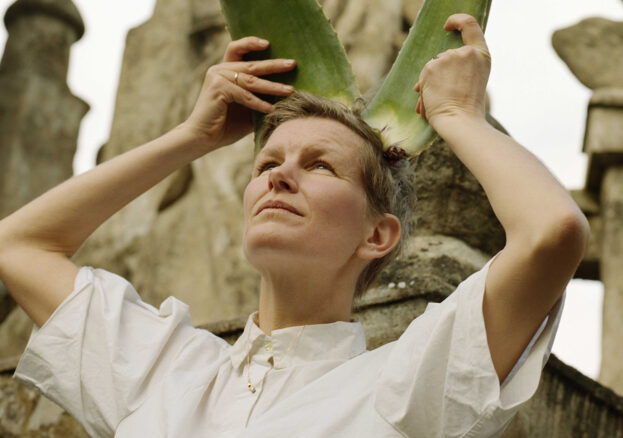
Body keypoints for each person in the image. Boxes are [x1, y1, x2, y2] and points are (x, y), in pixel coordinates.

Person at [0, 14, 588, 438]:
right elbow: (19, 246)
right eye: (267, 164)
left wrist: (458, 115)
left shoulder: (408, 388)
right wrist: (192, 137)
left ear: (376, 235)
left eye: (320, 166)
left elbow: (552, 233)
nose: (280, 177)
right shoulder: (156, 367)